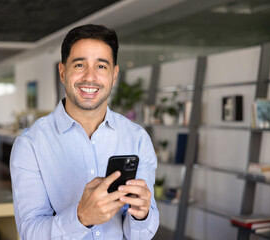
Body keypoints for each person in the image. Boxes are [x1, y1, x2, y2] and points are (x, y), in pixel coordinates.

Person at [10, 24, 159, 239]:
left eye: (101, 66)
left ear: (114, 74)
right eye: (79, 65)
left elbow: (141, 235)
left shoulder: (137, 139)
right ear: (63, 72)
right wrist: (81, 218)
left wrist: (142, 215)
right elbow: (30, 233)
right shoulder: (30, 145)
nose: (90, 77)